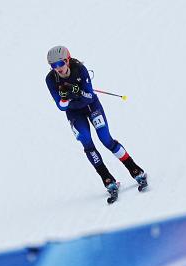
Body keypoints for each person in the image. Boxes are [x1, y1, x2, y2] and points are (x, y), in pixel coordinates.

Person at [45, 45, 148, 197]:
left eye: (60, 64)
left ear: (67, 60)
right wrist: (66, 96)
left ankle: (135, 169)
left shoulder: (79, 69)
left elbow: (89, 96)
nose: (58, 68)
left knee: (106, 139)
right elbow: (61, 106)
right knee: (87, 142)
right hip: (74, 113)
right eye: (53, 66)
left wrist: (76, 90)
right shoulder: (50, 79)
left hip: (91, 106)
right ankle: (107, 179)